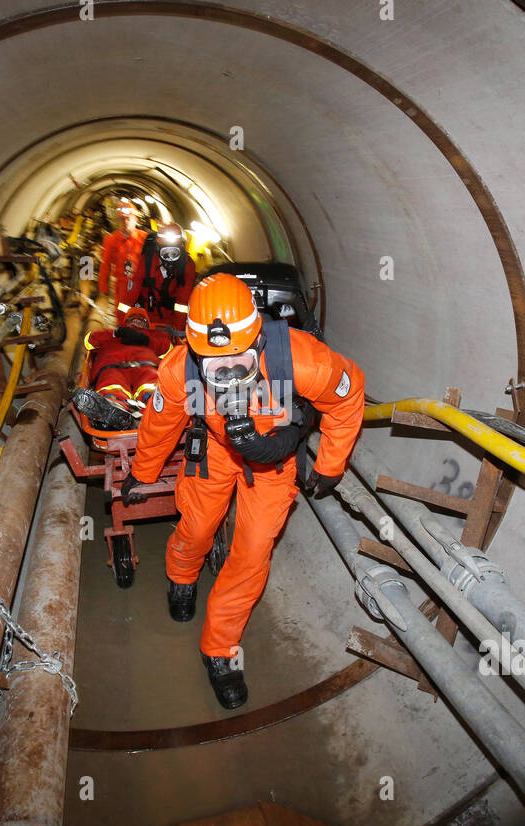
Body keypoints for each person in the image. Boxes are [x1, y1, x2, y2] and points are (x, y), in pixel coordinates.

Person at [119, 273, 365, 708]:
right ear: (197, 353)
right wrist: (143, 470)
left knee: (251, 554)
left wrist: (330, 464)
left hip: (271, 462)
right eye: (216, 369)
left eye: (239, 364)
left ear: (257, 345)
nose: (230, 377)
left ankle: (220, 649)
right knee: (196, 528)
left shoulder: (302, 360)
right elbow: (160, 424)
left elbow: (347, 397)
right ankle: (181, 578)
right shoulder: (180, 368)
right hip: (213, 449)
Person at [71, 307, 172, 431]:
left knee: (150, 382)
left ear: (146, 324)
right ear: (126, 322)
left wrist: (147, 340)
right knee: (111, 382)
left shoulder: (154, 336)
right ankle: (114, 410)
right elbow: (89, 341)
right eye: (132, 319)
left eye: (140, 320)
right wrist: (116, 332)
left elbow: (169, 350)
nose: (136, 322)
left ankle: (155, 406)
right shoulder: (112, 334)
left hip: (145, 365)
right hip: (112, 365)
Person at [123, 222, 196, 331]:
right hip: (145, 317)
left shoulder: (187, 265)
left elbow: (183, 303)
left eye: (174, 252)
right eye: (166, 252)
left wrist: (177, 331)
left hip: (170, 320)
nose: (170, 257)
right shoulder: (146, 261)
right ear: (158, 248)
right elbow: (130, 296)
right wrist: (123, 323)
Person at [97, 198, 147, 307]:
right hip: (122, 287)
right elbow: (105, 265)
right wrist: (103, 288)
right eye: (122, 219)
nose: (125, 222)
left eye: (129, 218)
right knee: (122, 313)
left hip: (142, 285)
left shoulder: (145, 239)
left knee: (142, 315)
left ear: (136, 220)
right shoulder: (110, 240)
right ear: (118, 220)